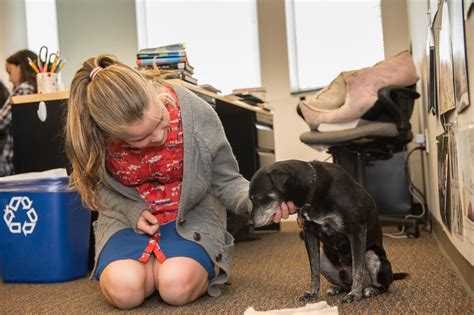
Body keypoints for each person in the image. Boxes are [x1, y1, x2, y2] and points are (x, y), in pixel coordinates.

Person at [65, 54, 295, 309]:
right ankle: (153, 267)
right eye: (145, 138)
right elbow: (92, 187)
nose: (160, 134)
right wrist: (130, 210)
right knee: (125, 292)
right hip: (125, 222)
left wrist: (258, 202)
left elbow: (226, 180)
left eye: (161, 119)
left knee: (175, 287)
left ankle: (166, 266)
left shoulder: (197, 112)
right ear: (113, 136)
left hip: (191, 217)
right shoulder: (96, 138)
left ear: (152, 92)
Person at [0, 50, 38, 177]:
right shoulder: (36, 88)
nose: (9, 79)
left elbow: (1, 121)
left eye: (10, 72)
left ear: (21, 67)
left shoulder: (23, 89)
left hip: (11, 165)